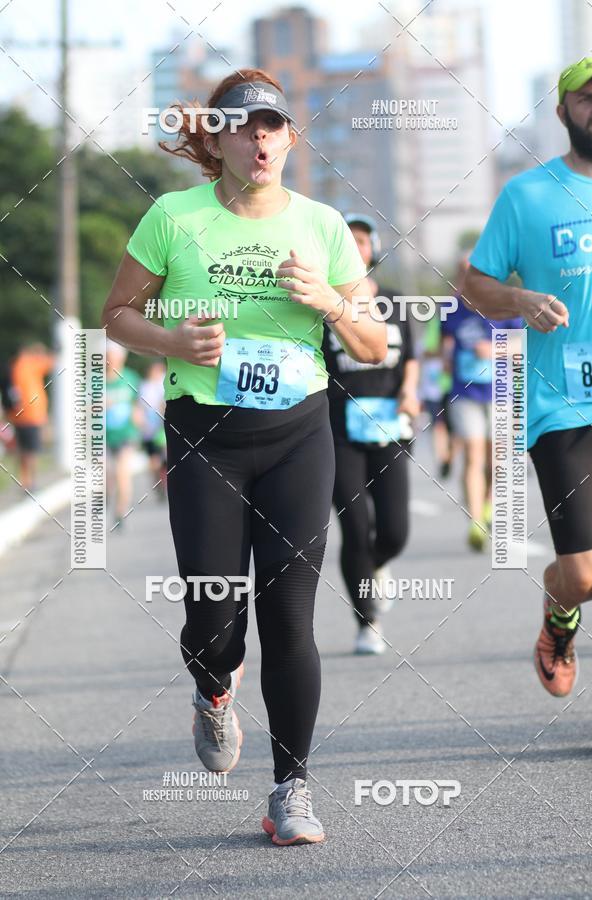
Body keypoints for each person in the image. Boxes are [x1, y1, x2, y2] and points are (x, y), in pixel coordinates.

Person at [101, 69, 386, 845]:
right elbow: (117, 315)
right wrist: (172, 341)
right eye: (244, 126)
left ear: (290, 139)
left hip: (298, 434)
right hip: (205, 437)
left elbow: (374, 342)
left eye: (273, 126)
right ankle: (213, 689)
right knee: (215, 616)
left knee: (289, 617)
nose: (259, 139)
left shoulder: (323, 225)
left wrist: (329, 303)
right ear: (219, 139)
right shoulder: (172, 216)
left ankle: (291, 789)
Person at [464, 59, 592, 729]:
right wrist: (517, 298)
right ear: (564, 112)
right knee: (583, 572)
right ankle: (559, 615)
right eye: (588, 98)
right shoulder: (527, 195)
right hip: (563, 406)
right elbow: (475, 282)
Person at [322, 213, 419, 654]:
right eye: (347, 240)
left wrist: (411, 394)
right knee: (355, 527)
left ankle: (376, 567)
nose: (356, 247)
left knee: (394, 530)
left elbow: (411, 359)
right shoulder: (321, 305)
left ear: (373, 249)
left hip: (391, 428)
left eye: (362, 240)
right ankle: (367, 620)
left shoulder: (395, 301)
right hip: (338, 430)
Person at [442, 254, 522, 551]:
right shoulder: (450, 309)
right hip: (465, 393)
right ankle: (476, 520)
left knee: (496, 459)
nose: (466, 278)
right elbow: (442, 347)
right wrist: (448, 357)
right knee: (473, 455)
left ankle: (489, 505)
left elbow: (521, 344)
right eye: (461, 273)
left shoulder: (504, 306)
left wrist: (493, 349)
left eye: (472, 272)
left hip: (500, 392)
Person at [6, 343, 55, 491]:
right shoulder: (31, 364)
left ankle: (24, 480)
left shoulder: (15, 365)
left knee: (22, 449)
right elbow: (51, 362)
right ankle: (30, 483)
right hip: (32, 415)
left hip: (18, 415)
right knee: (31, 450)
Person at [105, 341, 142, 529]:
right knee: (106, 475)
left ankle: (120, 512)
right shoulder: (95, 381)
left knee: (122, 474)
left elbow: (138, 405)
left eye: (115, 356)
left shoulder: (131, 378)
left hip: (126, 434)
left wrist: (139, 416)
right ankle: (107, 495)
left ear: (122, 357)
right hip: (103, 436)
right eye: (108, 356)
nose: (111, 360)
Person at [419, 315, 454, 479]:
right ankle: (443, 460)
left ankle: (449, 457)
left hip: (454, 385)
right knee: (438, 426)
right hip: (434, 388)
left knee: (453, 429)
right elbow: (425, 352)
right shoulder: (436, 322)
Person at [138, 361, 167, 498]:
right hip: (149, 430)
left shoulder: (164, 383)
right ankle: (158, 482)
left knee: (165, 458)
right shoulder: (144, 386)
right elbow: (139, 407)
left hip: (162, 429)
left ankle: (165, 482)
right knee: (154, 462)